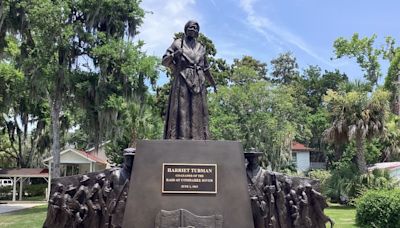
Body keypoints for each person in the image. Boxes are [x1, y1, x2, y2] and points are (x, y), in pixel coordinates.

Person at [162, 20, 216, 140]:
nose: (193, 29)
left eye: (196, 28)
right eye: (191, 27)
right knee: (182, 109)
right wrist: (174, 54)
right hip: (182, 78)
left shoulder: (201, 48)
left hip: (198, 80)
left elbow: (206, 68)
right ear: (186, 29)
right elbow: (164, 61)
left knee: (197, 110)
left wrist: (213, 83)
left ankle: (198, 137)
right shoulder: (177, 43)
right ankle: (180, 137)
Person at [107, 147, 135, 228]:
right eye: (128, 158)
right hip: (119, 206)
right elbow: (107, 191)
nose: (130, 160)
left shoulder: (138, 174)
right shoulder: (115, 174)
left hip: (133, 206)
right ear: (124, 158)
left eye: (132, 158)